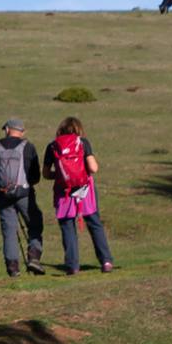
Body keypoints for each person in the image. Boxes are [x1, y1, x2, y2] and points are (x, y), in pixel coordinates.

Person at [42, 116, 116, 274]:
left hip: (64, 191)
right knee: (94, 223)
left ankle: (72, 266)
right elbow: (94, 168)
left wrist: (63, 176)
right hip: (85, 188)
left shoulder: (52, 146)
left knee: (67, 226)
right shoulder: (83, 142)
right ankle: (106, 261)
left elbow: (46, 174)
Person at [0, 117, 46, 276]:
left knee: (9, 231)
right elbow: (35, 176)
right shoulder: (28, 146)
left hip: (3, 195)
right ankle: (34, 257)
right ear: (22, 131)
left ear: (7, 129)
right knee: (35, 224)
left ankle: (13, 268)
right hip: (24, 193)